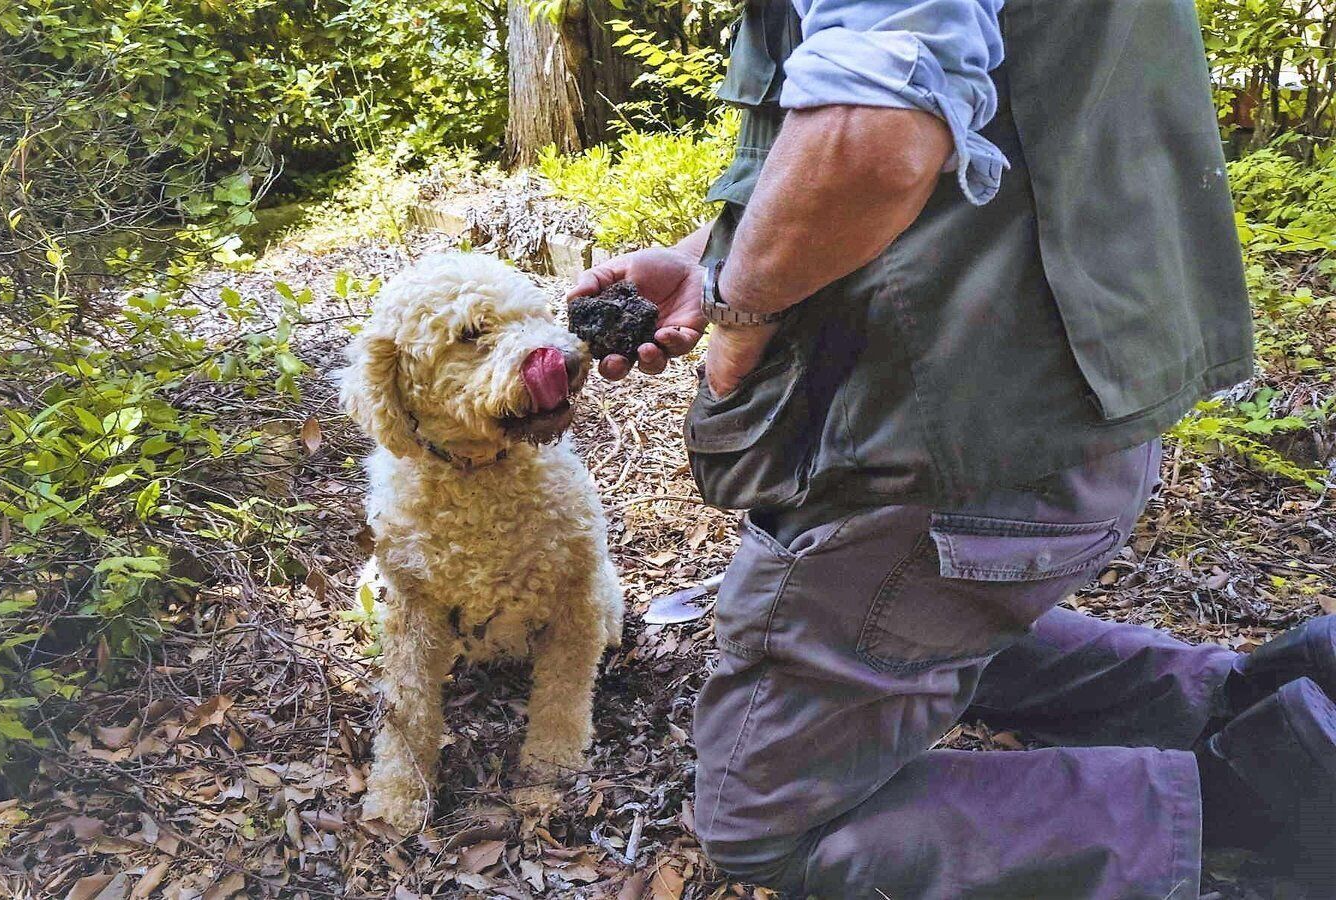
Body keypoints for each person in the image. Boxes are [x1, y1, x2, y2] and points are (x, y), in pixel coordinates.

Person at [567, 0, 1336, 896]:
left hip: (955, 440)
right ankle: (1265, 707)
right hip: (1077, 402)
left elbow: (878, 136)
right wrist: (713, 261)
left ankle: (1261, 800)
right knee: (926, 622)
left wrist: (740, 318)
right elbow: (973, 120)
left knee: (764, 822)